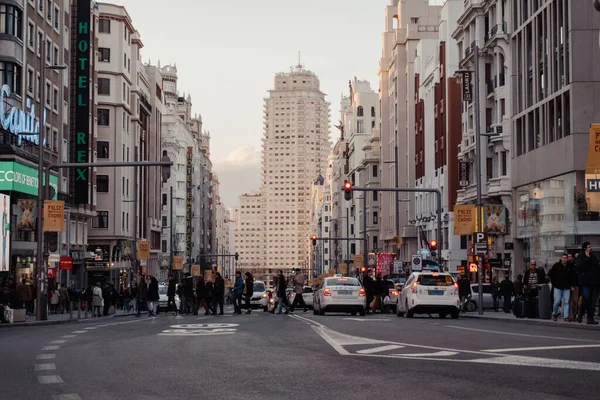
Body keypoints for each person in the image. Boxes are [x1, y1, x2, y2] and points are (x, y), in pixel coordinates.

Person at [575, 242, 599, 325]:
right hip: (585, 282)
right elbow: (580, 267)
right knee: (586, 299)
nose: (591, 248)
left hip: (594, 283)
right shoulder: (581, 256)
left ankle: (590, 318)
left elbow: (597, 267)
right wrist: (587, 258)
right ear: (585, 248)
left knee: (593, 301)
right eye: (589, 247)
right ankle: (580, 314)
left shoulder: (593, 256)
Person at [548, 253, 573, 322]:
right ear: (561, 258)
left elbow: (572, 277)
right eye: (563, 258)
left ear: (567, 259)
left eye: (566, 258)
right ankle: (554, 313)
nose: (564, 259)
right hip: (558, 287)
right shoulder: (557, 265)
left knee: (566, 302)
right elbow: (550, 274)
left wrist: (571, 285)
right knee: (557, 301)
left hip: (566, 287)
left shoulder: (569, 266)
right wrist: (554, 282)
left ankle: (566, 316)